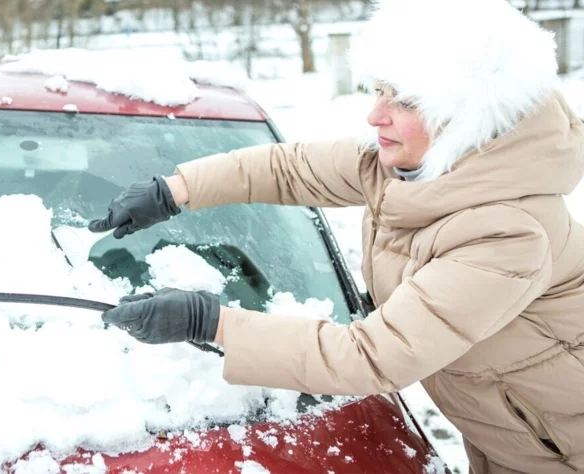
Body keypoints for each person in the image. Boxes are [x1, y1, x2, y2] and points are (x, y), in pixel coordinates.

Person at [88, 0, 584, 472]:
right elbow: (289, 169)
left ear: (466, 118)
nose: (376, 116)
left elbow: (371, 356)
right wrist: (173, 191)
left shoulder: (508, 234)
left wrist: (206, 321)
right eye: (380, 90)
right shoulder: (406, 164)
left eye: (405, 101)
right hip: (508, 435)